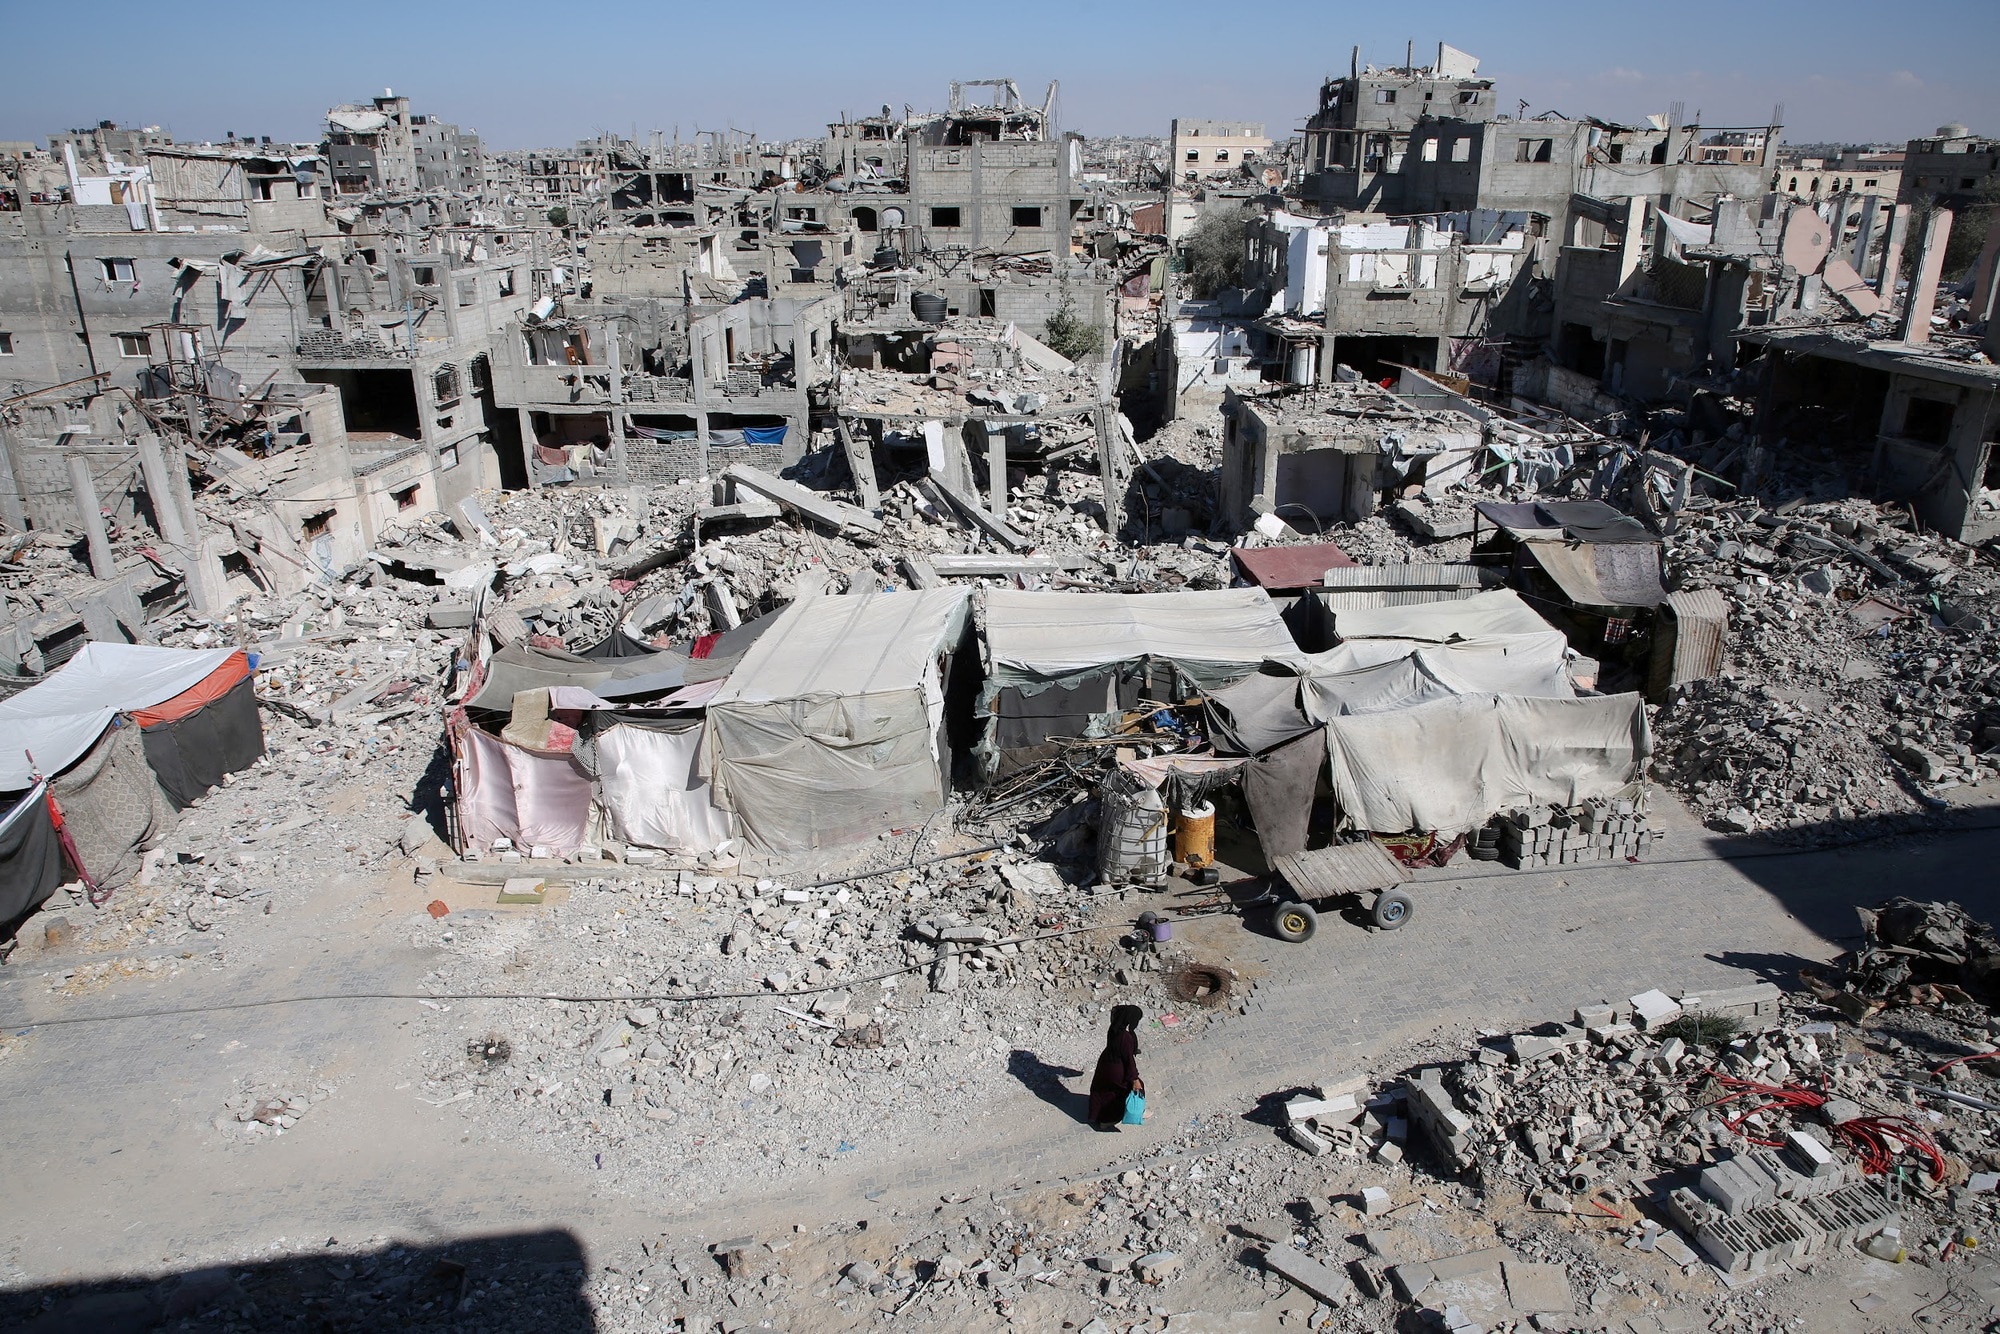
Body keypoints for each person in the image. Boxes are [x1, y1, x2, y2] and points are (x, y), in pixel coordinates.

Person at [1087, 1004, 1143, 1130]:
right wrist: (1135, 1079)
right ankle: (1110, 1120)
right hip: (1117, 1070)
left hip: (1105, 1065)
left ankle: (1097, 1117)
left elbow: (1117, 1010)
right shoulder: (1126, 1037)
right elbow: (1129, 1060)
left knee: (1103, 1091)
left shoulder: (1114, 1028)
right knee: (1123, 1092)